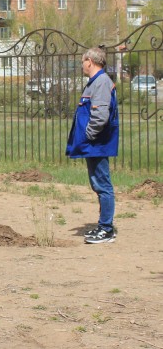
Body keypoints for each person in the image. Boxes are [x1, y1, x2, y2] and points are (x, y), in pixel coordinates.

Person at [66, 47, 119, 244]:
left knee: (102, 184)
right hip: (93, 145)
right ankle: (104, 226)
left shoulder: (102, 83)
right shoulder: (95, 82)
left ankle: (106, 229)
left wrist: (88, 135)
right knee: (98, 184)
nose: (82, 65)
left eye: (82, 61)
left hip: (97, 144)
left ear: (90, 61)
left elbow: (100, 115)